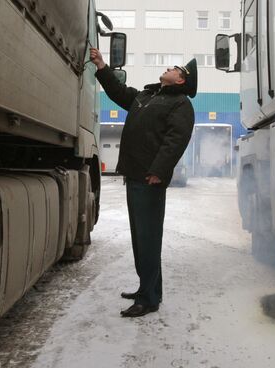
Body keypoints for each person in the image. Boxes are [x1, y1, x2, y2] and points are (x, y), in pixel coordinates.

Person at [90, 48, 197, 317]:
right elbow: (118, 92)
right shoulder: (146, 96)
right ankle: (148, 289)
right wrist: (102, 66)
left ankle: (148, 299)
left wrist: (159, 171)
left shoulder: (180, 103)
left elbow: (176, 139)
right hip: (134, 173)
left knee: (148, 238)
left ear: (181, 80)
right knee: (141, 238)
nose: (169, 68)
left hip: (150, 178)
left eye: (175, 68)